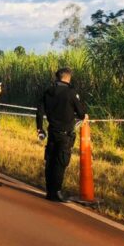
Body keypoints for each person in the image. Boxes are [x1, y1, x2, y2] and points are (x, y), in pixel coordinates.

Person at [36, 67, 87, 202]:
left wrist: (39, 128)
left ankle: (49, 191)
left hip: (52, 131)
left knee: (50, 161)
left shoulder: (48, 91)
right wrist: (83, 115)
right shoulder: (71, 93)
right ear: (68, 78)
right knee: (60, 162)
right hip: (65, 133)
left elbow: (39, 111)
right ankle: (57, 192)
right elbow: (81, 113)